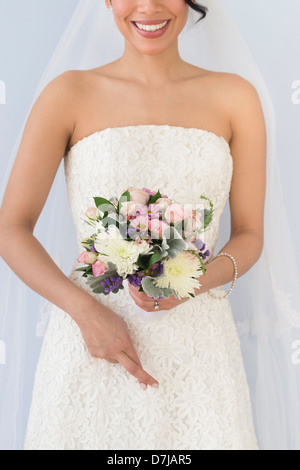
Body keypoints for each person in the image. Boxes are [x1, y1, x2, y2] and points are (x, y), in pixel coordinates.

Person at [0, 0, 298, 451]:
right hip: (91, 345)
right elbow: (11, 227)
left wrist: (191, 283)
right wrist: (85, 313)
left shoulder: (235, 96)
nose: (149, 7)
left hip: (200, 350)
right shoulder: (69, 93)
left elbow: (250, 235)